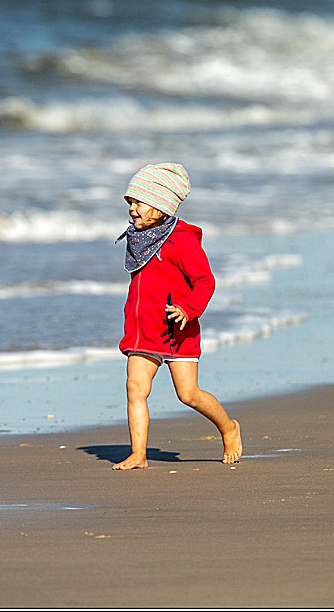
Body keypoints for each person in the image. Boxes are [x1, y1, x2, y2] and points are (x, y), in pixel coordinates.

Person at [112, 162, 242, 470]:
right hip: (143, 329)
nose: (132, 209)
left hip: (177, 330)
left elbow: (205, 281)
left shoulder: (181, 240)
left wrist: (188, 308)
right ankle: (139, 454)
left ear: (160, 205)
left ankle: (228, 428)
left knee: (189, 394)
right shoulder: (139, 238)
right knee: (135, 387)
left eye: (139, 202)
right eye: (130, 202)